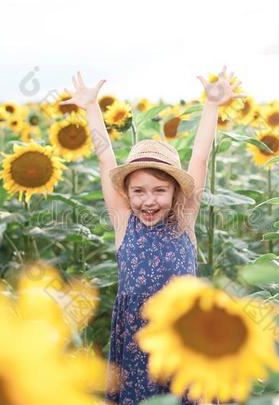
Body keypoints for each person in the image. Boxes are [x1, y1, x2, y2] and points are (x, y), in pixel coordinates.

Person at [60, 67, 244, 404]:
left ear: (177, 193)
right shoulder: (123, 222)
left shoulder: (184, 220)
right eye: (138, 191)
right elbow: (106, 160)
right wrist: (91, 109)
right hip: (137, 339)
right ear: (126, 194)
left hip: (185, 336)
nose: (148, 200)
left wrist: (213, 106)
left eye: (160, 190)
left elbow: (200, 157)